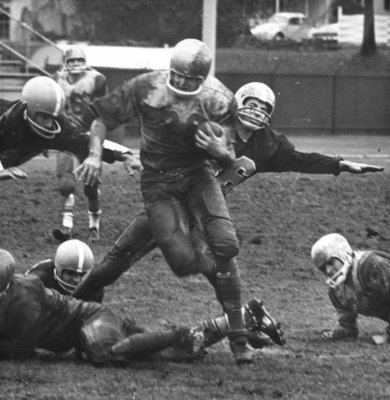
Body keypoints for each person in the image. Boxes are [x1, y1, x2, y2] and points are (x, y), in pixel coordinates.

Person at [72, 81, 383, 310]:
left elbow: (301, 160)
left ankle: (244, 322)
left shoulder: (267, 145)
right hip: (169, 202)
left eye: (264, 109)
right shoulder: (212, 124)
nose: (257, 111)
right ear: (238, 102)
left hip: (204, 213)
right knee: (118, 259)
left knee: (217, 268)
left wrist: (340, 164)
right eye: (252, 103)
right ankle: (73, 301)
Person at [75, 38, 254, 364]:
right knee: (116, 260)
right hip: (160, 185)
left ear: (203, 78)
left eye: (191, 79)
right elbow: (101, 120)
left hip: (198, 178)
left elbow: (230, 155)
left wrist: (219, 152)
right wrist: (94, 155)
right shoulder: (146, 86)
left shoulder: (218, 99)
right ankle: (71, 310)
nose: (183, 83)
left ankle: (240, 338)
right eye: (179, 76)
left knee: (224, 249)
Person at [0, 249, 282, 365]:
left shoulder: (22, 299)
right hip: (84, 324)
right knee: (168, 354)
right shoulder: (20, 285)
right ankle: (241, 317)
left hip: (87, 321)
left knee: (106, 353)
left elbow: (24, 352)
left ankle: (179, 334)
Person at [0, 76, 140, 225]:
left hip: (19, 152)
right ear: (29, 108)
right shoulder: (6, 118)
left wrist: (124, 154)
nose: (48, 124)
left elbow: (88, 142)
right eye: (44, 117)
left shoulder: (59, 130)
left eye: (52, 118)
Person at [53, 45, 109, 242]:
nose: (76, 64)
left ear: (85, 62)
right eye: (71, 61)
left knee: (90, 188)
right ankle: (66, 226)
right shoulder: (56, 80)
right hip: (66, 136)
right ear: (65, 64)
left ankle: (94, 226)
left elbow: (103, 111)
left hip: (88, 137)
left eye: (79, 60)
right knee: (66, 184)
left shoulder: (97, 80)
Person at [311, 233, 390, 345]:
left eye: (330, 262)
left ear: (342, 253)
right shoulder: (336, 291)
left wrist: (388, 336)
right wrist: (339, 333)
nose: (328, 270)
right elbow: (348, 328)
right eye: (323, 268)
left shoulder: (370, 265)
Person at [25, 239, 104, 303]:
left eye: (82, 274)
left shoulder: (95, 288)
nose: (77, 279)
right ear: (59, 270)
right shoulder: (39, 281)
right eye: (71, 273)